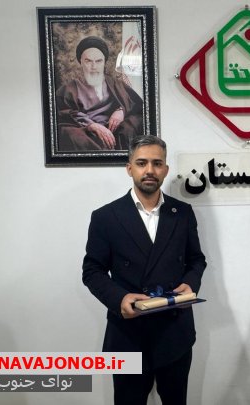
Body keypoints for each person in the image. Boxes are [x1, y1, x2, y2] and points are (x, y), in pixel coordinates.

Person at [82, 135, 206, 405]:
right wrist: (119, 299)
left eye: (157, 163)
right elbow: (92, 270)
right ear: (129, 168)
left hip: (175, 332)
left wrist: (191, 284)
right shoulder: (105, 217)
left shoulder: (183, 212)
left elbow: (196, 260)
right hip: (128, 334)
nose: (150, 170)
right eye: (141, 163)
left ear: (166, 170)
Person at [56, 36, 144, 151]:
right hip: (86, 132)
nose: (94, 67)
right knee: (71, 134)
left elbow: (137, 105)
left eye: (98, 61)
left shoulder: (116, 84)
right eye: (88, 61)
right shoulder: (68, 89)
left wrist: (121, 111)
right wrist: (92, 125)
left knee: (133, 123)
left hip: (115, 131)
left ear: (104, 62)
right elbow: (63, 114)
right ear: (80, 62)